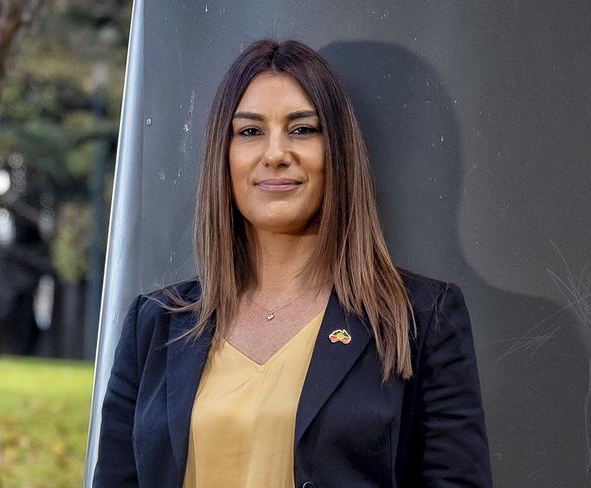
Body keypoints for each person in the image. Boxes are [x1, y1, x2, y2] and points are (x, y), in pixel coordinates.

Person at [93, 38, 492, 488]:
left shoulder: (418, 319)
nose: (276, 153)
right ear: (223, 159)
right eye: (249, 131)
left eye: (302, 129)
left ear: (337, 153)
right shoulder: (156, 325)